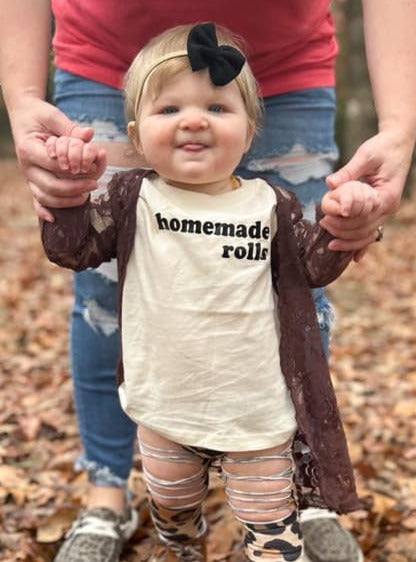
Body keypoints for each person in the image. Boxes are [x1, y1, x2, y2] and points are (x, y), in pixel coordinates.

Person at [1, 2, 415, 562]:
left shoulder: (275, 204)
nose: (193, 120)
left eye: (216, 108)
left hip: (258, 416)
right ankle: (114, 498)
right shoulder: (129, 200)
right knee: (173, 511)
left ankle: (297, 495)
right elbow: (73, 251)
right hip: (163, 408)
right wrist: (71, 198)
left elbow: (313, 269)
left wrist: (347, 220)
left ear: (251, 137)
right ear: (134, 137)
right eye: (171, 108)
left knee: (272, 536)